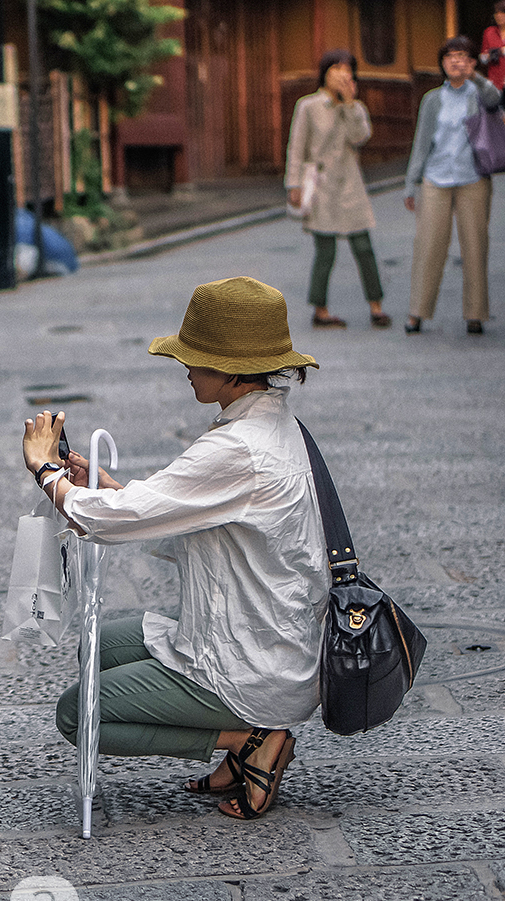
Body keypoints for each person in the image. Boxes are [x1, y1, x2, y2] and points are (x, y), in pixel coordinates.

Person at [21, 276, 326, 821]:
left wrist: (46, 471)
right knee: (98, 645)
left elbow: (112, 524)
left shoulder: (239, 447)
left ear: (232, 370)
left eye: (197, 360)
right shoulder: (270, 423)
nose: (186, 370)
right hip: (269, 638)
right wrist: (111, 491)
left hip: (252, 665)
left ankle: (248, 739)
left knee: (77, 713)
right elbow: (184, 512)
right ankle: (246, 741)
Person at [403, 36, 501, 335]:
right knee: (428, 246)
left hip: (473, 178)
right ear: (442, 63)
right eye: (449, 57)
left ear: (472, 62)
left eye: (462, 56)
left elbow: (496, 100)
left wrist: (478, 78)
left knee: (475, 247)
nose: (455, 61)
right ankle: (417, 312)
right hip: (436, 177)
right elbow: (422, 142)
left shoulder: (478, 93)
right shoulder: (432, 99)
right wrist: (411, 182)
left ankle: (475, 314)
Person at [285, 49, 389, 328]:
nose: (343, 75)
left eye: (348, 70)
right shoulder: (308, 106)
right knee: (325, 250)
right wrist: (293, 184)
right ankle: (320, 310)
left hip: (350, 183)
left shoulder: (355, 107)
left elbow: (360, 137)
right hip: (320, 186)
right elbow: (296, 147)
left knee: (363, 246)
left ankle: (376, 306)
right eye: (336, 69)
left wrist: (349, 104)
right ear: (324, 73)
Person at [479, 2, 505, 91]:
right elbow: (483, 58)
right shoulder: (489, 32)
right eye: (496, 13)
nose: (499, 16)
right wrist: (486, 56)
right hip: (495, 81)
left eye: (502, 13)